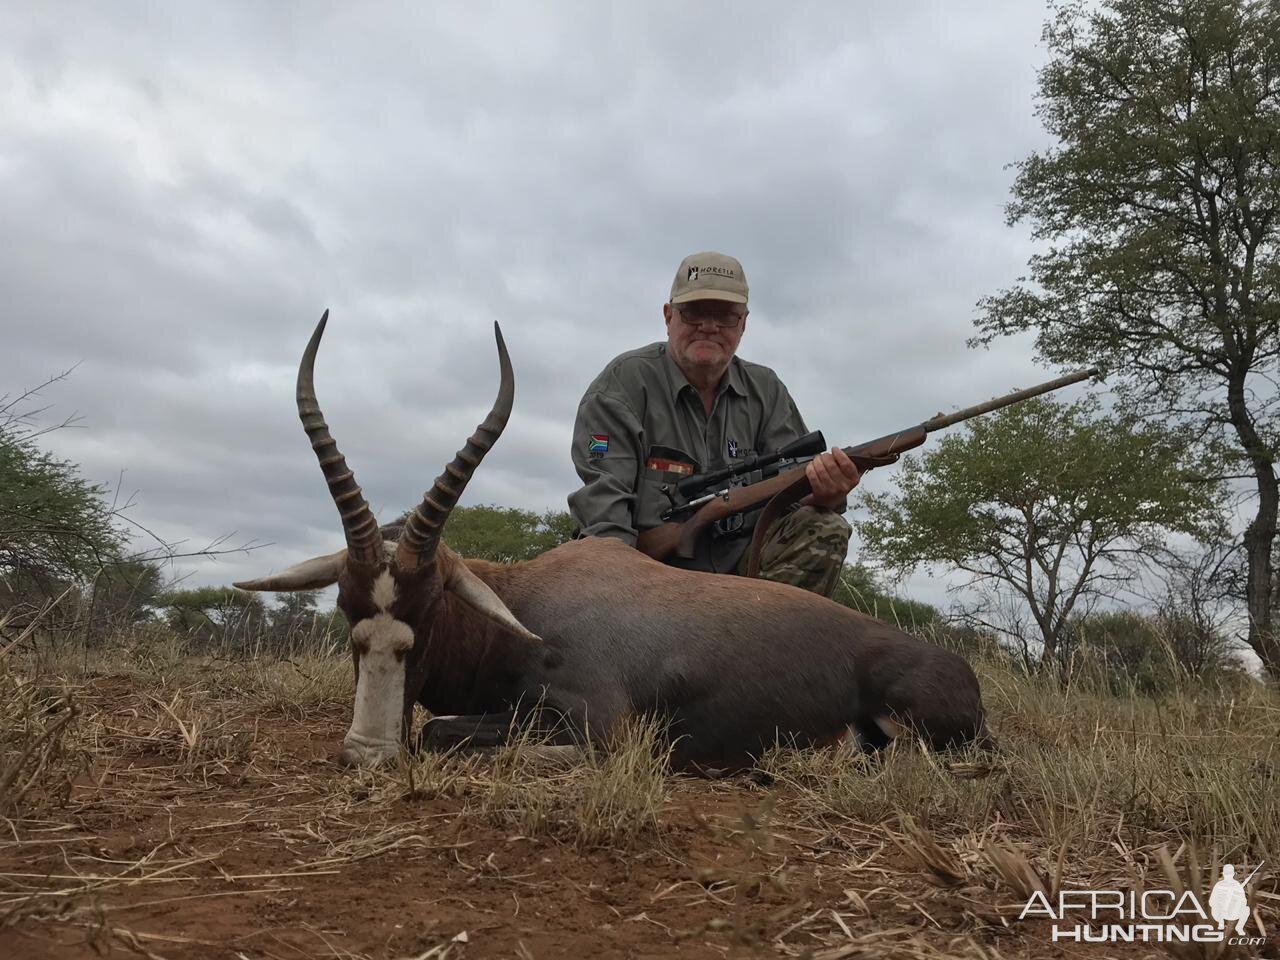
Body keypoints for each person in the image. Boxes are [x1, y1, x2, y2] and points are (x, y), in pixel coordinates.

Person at [567, 251, 860, 598]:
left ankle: (763, 644)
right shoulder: (620, 387)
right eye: (694, 313)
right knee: (600, 564)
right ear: (668, 315)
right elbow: (606, 520)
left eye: (724, 315)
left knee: (824, 526)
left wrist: (826, 492)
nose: (709, 326)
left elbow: (795, 491)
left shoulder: (766, 389)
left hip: (745, 576)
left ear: (743, 324)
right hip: (648, 579)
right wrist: (626, 592)